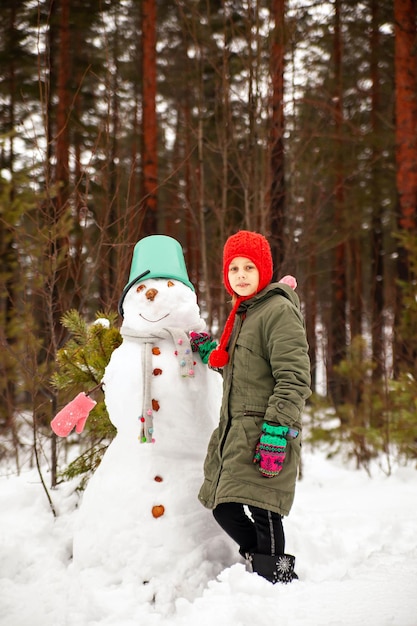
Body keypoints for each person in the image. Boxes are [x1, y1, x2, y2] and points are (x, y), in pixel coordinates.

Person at [198, 230, 311, 584]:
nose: (242, 275)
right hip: (238, 430)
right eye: (234, 269)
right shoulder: (245, 313)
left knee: (264, 508)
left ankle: (277, 578)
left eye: (249, 267)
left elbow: (293, 377)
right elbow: (242, 366)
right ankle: (262, 567)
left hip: (267, 428)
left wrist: (277, 432)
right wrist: (210, 353)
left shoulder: (277, 310)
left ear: (264, 270)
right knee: (224, 508)